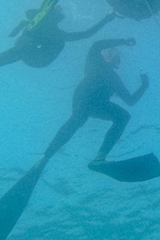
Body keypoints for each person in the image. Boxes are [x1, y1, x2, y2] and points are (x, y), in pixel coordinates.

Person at [40, 38, 149, 169]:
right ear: (104, 55)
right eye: (109, 52)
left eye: (115, 55)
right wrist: (123, 41)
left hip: (97, 104)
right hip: (84, 99)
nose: (111, 56)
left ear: (117, 61)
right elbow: (97, 45)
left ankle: (100, 158)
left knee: (123, 116)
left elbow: (130, 101)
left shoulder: (114, 78)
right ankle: (47, 156)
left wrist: (144, 85)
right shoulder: (95, 62)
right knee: (77, 120)